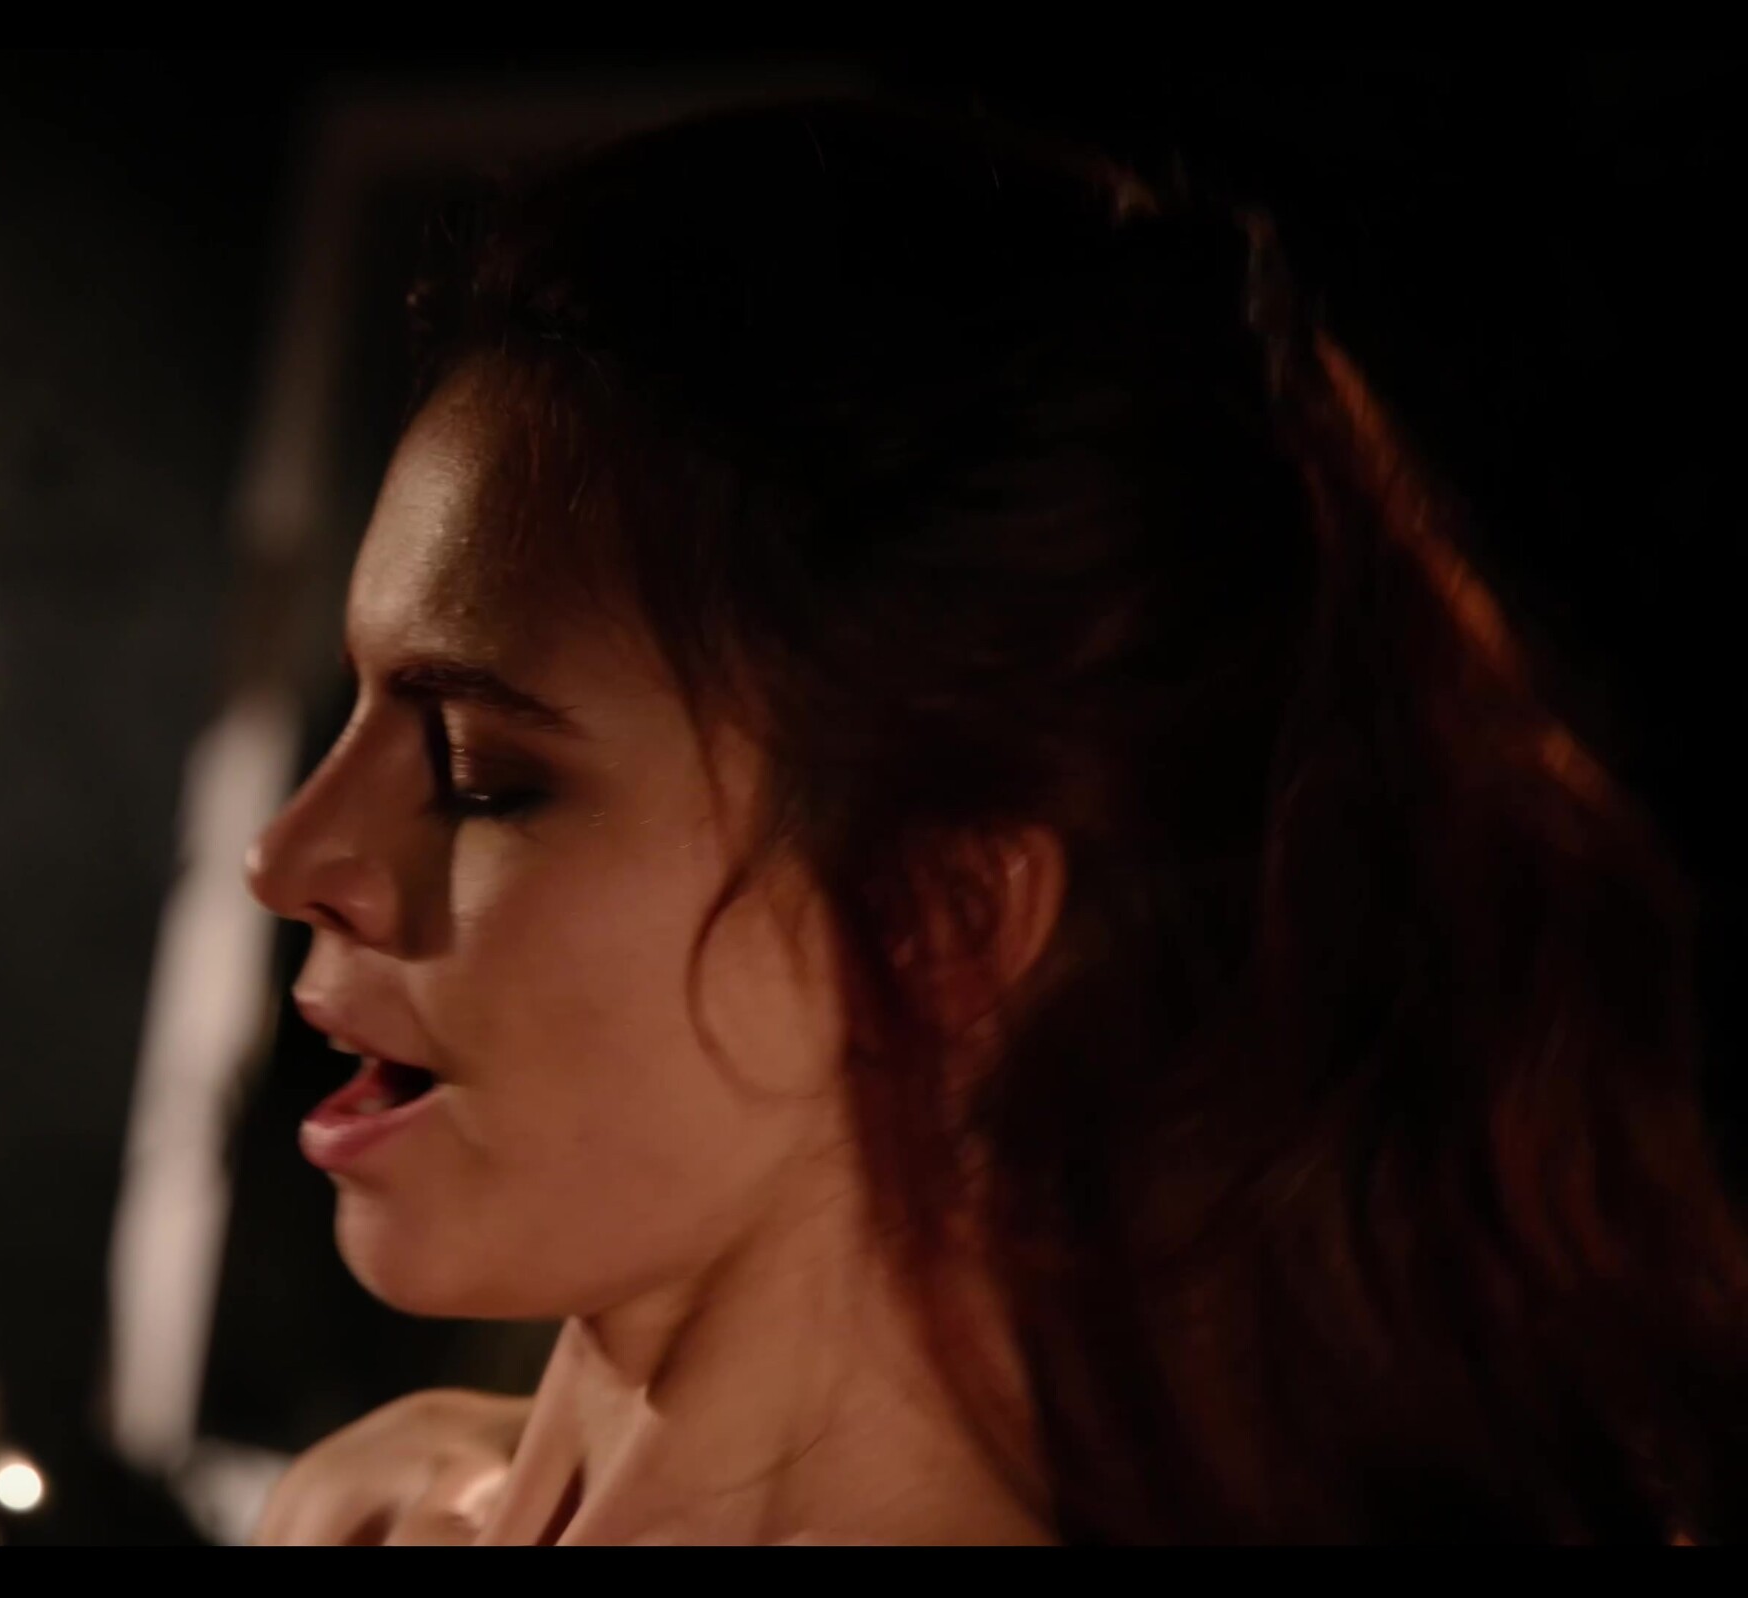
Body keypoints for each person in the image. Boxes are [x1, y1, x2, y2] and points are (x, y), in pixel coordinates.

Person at [239, 97, 1748, 1544]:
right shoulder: (379, 1505)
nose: (290, 856)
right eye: (352, 711)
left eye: (481, 772)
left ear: (938, 921)